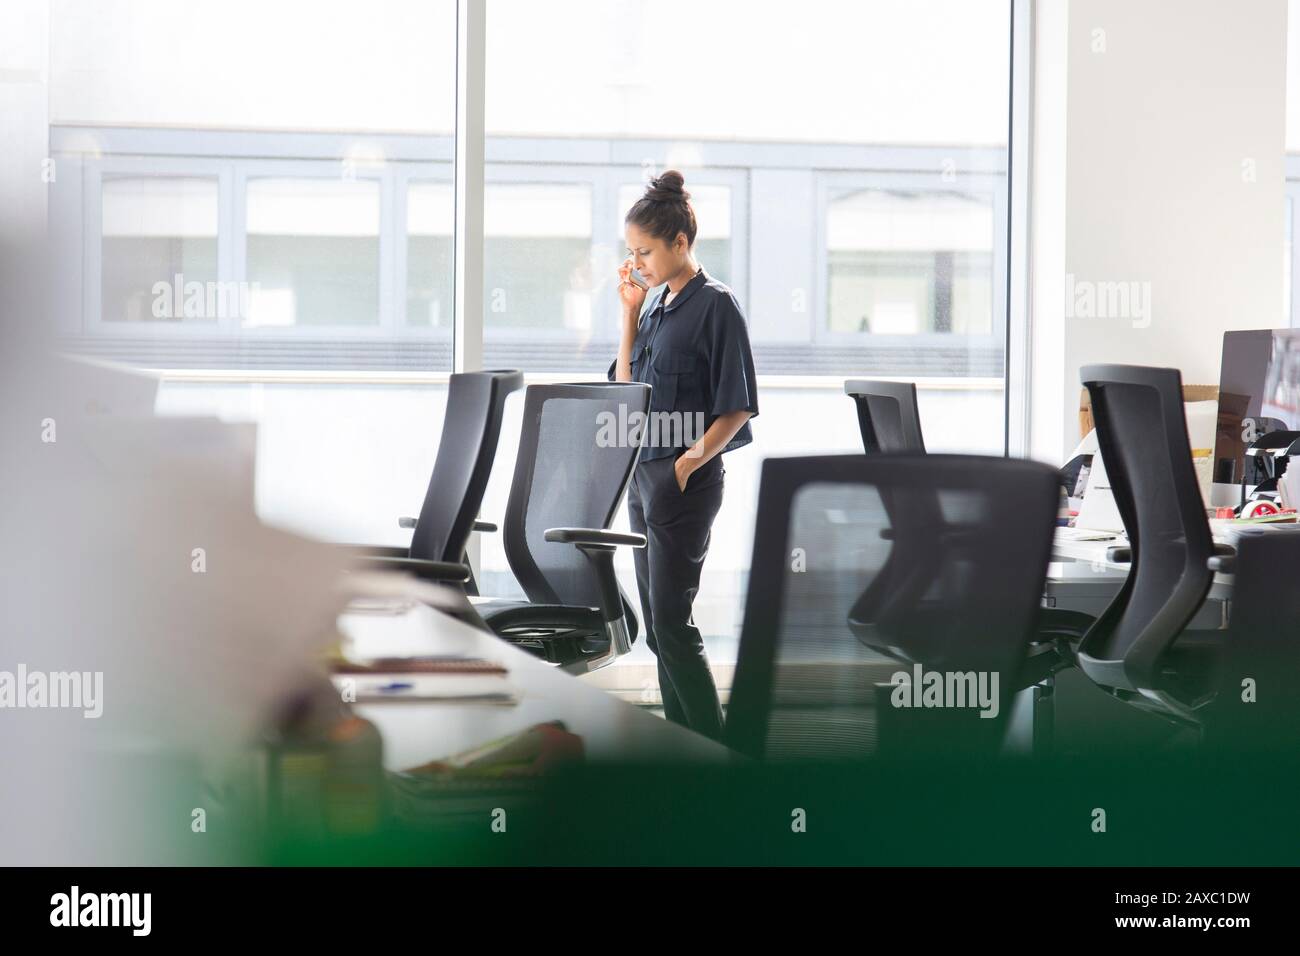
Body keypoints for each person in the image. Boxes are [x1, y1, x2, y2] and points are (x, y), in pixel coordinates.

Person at [607, 169, 759, 741]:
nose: (637, 263)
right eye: (631, 253)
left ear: (679, 243)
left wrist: (685, 465)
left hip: (683, 482)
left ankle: (713, 753)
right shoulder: (653, 306)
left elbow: (736, 406)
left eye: (644, 251)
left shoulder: (716, 306)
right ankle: (686, 745)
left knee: (672, 624)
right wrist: (627, 312)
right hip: (643, 481)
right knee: (658, 630)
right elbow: (626, 389)